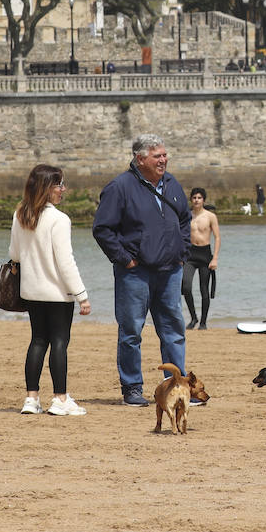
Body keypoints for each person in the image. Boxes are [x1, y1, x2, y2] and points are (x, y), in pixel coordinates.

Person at [92, 133, 191, 406]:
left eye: (165, 154)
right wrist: (125, 259)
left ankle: (177, 386)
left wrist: (182, 253)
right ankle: (132, 388)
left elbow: (185, 220)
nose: (164, 159)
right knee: (131, 332)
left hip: (170, 270)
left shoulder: (172, 184)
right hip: (134, 273)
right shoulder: (120, 187)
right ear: (140, 158)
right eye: (157, 155)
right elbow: (102, 229)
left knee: (173, 329)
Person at [10, 164, 90, 417]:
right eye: (59, 185)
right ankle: (60, 398)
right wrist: (82, 295)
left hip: (31, 291)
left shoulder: (20, 214)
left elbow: (14, 254)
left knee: (37, 341)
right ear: (46, 188)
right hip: (56, 293)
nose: (63, 190)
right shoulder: (59, 219)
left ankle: (31, 399)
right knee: (59, 343)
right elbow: (66, 262)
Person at [182, 187, 221, 330]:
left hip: (205, 254)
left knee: (204, 289)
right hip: (190, 254)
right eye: (194, 198)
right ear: (191, 200)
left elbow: (217, 237)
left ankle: (203, 322)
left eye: (199, 198)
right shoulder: (187, 215)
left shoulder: (210, 216)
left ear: (203, 200)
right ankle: (193, 318)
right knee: (185, 286)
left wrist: (215, 258)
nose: (196, 200)